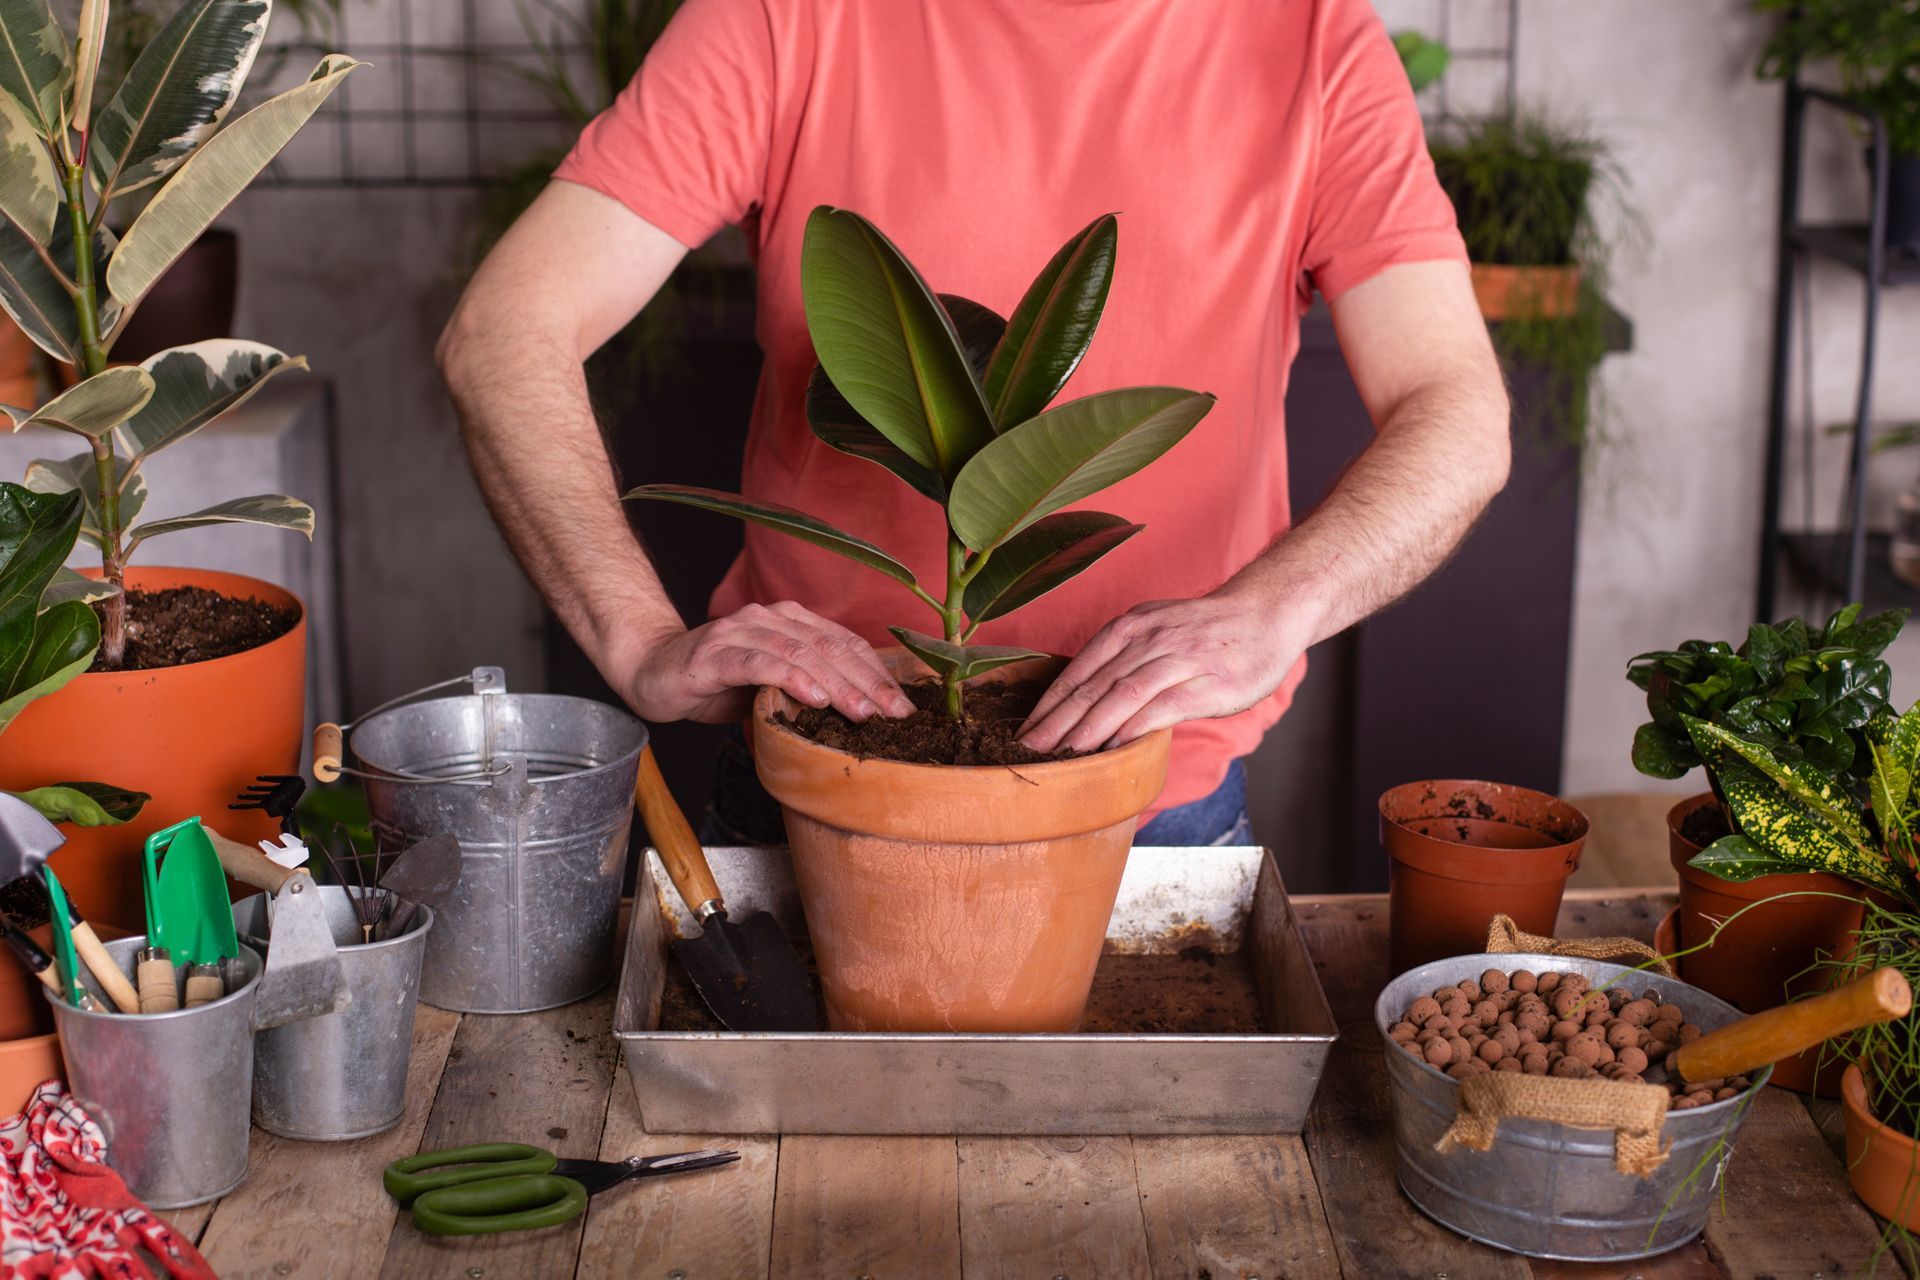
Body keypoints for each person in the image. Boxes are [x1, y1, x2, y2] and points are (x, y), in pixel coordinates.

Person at [439, 0, 1510, 846]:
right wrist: (638, 640)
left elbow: (1455, 405)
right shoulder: (785, 14)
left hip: (1152, 816)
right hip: (819, 794)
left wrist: (1280, 606)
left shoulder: (1314, 36)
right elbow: (503, 330)